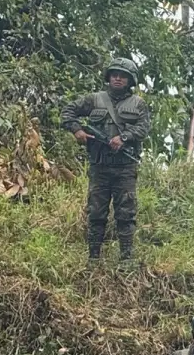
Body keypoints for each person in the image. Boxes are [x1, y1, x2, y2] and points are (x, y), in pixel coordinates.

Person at [60, 58, 150, 263]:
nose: (118, 79)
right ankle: (93, 258)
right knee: (96, 212)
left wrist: (124, 138)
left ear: (130, 80)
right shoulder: (94, 99)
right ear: (108, 77)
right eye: (114, 75)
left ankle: (126, 259)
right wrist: (78, 131)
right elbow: (68, 111)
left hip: (125, 168)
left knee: (126, 213)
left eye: (123, 76)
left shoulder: (138, 104)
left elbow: (143, 128)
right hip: (99, 165)